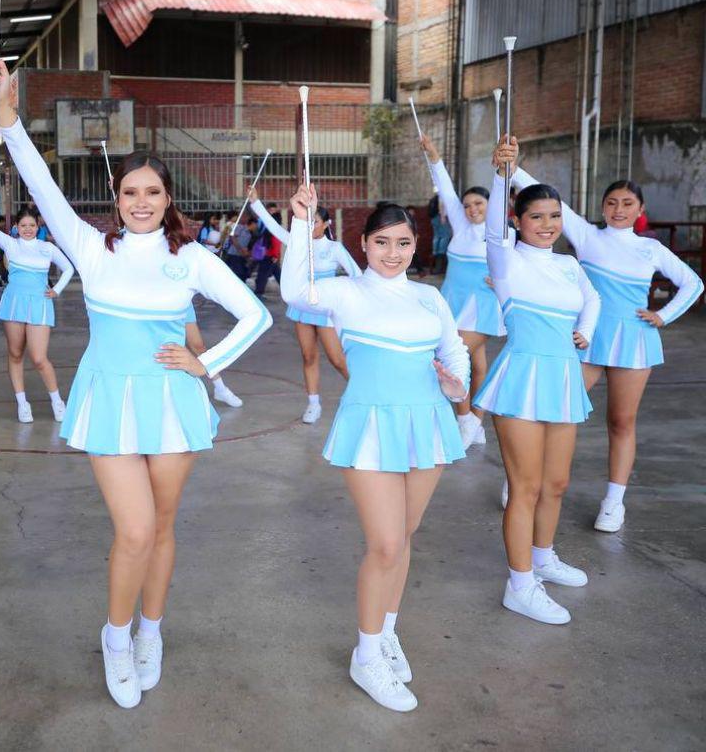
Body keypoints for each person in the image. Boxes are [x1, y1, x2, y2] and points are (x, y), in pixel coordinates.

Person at [0, 58, 271, 710]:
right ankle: (115, 638)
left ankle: (151, 630)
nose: (141, 202)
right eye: (130, 192)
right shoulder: (89, 248)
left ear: (169, 200)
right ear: (117, 198)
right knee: (135, 530)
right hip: (110, 399)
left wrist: (207, 364)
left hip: (173, 401)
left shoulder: (189, 258)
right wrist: (6, 111)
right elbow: (40, 182)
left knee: (163, 527)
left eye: (153, 193)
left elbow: (257, 315)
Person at [282, 184, 469, 713]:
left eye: (403, 242)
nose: (393, 252)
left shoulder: (429, 297)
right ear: (363, 244)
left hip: (428, 424)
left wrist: (458, 386)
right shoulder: (344, 292)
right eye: (383, 242)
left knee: (404, 536)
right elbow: (296, 289)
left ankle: (386, 629)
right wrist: (300, 226)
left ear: (416, 246)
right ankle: (365, 656)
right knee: (385, 544)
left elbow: (454, 354)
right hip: (369, 426)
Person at [509, 169, 703, 532]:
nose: (618, 209)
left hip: (634, 340)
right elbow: (549, 199)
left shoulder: (651, 248)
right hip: (588, 338)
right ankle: (524, 479)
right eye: (612, 202)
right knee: (555, 411)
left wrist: (663, 315)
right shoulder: (587, 235)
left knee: (621, 422)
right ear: (602, 206)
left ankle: (614, 502)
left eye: (627, 203)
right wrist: (514, 167)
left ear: (640, 208)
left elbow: (692, 282)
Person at [475, 138, 600, 626]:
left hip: (563, 377)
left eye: (555, 217)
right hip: (522, 376)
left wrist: (584, 334)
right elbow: (489, 234)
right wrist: (503, 175)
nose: (548, 225)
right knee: (523, 487)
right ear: (517, 220)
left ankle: (544, 558)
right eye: (537, 217)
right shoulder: (505, 261)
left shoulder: (569, 265)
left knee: (557, 483)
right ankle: (520, 584)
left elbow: (593, 302)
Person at [0, 181, 74, 423]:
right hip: (13, 303)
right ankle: (22, 403)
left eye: (32, 225)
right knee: (14, 353)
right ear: (16, 228)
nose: (28, 229)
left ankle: (57, 401)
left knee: (39, 358)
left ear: (38, 226)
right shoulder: (10, 244)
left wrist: (56, 291)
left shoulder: (47, 248)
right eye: (23, 225)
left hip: (39, 304)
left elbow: (68, 269)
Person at [421, 134, 504, 449]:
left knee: (451, 356)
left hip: (483, 307)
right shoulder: (460, 224)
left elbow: (523, 265)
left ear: (490, 205)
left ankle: (465, 418)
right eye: (467, 205)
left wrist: (505, 283)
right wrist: (433, 155)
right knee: (478, 365)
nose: (471, 209)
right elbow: (444, 186)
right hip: (453, 304)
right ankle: (475, 424)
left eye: (478, 204)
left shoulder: (501, 232)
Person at [250, 189, 357, 423]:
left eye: (315, 221)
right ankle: (313, 403)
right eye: (308, 221)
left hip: (326, 310)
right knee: (309, 357)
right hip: (302, 307)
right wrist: (256, 203)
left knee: (338, 360)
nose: (311, 226)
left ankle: (365, 393)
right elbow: (274, 228)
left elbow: (357, 276)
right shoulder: (299, 241)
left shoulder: (335, 248)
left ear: (326, 223)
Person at [251, 202, 282, 297]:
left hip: (269, 255)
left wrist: (275, 255)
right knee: (276, 274)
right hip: (268, 254)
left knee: (263, 274)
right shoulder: (266, 224)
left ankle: (258, 292)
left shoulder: (274, 228)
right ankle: (289, 290)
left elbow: (276, 242)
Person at [221, 211, 252, 280]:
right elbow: (231, 237)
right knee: (238, 273)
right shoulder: (235, 226)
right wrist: (240, 249)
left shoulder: (243, 227)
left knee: (240, 273)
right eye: (237, 216)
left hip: (236, 253)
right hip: (233, 252)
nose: (239, 217)